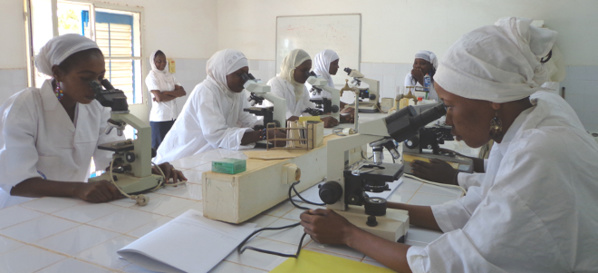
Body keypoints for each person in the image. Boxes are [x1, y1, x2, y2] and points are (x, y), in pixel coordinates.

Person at [300, 17, 598, 272]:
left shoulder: (538, 153)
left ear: (493, 97)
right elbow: (477, 210)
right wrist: (378, 206)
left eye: (449, 105)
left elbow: (447, 264)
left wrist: (347, 234)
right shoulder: (534, 115)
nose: (445, 119)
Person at [0, 34, 186, 206]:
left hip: (73, 206)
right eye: (86, 78)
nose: (95, 86)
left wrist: (144, 171)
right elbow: (18, 182)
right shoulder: (25, 106)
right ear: (57, 73)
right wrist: (77, 188)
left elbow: (112, 163)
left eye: (100, 78)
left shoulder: (95, 106)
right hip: (24, 209)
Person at [155, 49, 285, 164]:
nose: (244, 80)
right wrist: (263, 134)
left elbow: (247, 121)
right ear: (222, 73)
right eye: (239, 74)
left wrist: (272, 126)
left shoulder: (235, 91)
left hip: (210, 155)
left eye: (246, 74)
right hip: (184, 158)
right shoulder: (205, 91)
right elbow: (218, 136)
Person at [267, 49, 339, 128]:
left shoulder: (301, 88)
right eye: (304, 70)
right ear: (291, 68)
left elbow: (310, 112)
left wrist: (335, 118)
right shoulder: (275, 84)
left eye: (308, 70)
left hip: (291, 132)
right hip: (270, 133)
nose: (307, 75)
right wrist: (319, 121)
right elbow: (287, 119)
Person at [146, 50, 186, 151]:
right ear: (153, 62)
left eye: (164, 61)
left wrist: (166, 93)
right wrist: (173, 94)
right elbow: (159, 98)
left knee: (171, 147)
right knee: (158, 149)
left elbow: (183, 92)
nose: (162, 63)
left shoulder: (169, 75)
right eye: (159, 61)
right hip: (159, 119)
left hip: (172, 117)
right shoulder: (152, 76)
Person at [308, 49, 354, 123]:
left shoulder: (327, 77)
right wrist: (344, 115)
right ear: (325, 63)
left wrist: (347, 106)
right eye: (335, 64)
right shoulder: (316, 79)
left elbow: (331, 99)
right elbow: (321, 106)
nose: (338, 67)